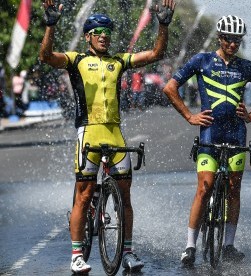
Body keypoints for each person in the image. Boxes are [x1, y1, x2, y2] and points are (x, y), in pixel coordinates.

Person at [39, 0, 176, 273]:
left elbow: (156, 54)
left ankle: (127, 252)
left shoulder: (118, 61)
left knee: (125, 196)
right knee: (84, 193)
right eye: (98, 33)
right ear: (88, 37)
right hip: (87, 132)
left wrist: (163, 25)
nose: (104, 36)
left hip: (114, 134)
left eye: (107, 33)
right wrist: (50, 25)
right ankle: (77, 255)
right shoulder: (76, 60)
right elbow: (45, 56)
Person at [163, 15, 251, 266]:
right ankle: (190, 246)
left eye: (237, 40)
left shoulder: (245, 66)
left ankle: (228, 245)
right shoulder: (202, 60)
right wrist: (189, 116)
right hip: (209, 133)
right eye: (228, 39)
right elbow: (169, 88)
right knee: (205, 188)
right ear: (219, 37)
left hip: (237, 133)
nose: (232, 44)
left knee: (234, 190)